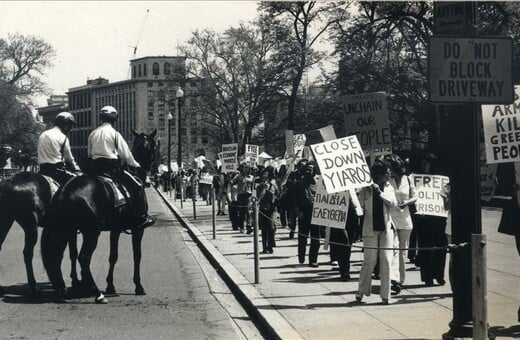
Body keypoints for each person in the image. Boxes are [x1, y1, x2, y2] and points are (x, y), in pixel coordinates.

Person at [87, 105, 155, 229]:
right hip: (111, 169)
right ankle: (142, 217)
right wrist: (136, 165)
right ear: (114, 119)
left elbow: (89, 154)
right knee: (138, 186)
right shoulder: (115, 134)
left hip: (94, 169)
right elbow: (126, 155)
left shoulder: (93, 134)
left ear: (101, 118)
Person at [356, 159, 397, 305]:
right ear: (379, 174)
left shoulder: (388, 187)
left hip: (386, 229)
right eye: (386, 173)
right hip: (370, 229)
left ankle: (385, 296)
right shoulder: (366, 189)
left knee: (386, 261)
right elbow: (359, 207)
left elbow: (393, 203)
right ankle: (361, 291)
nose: (389, 175)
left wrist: (379, 192)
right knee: (370, 261)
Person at [413, 153, 448, 286]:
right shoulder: (418, 180)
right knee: (425, 247)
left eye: (425, 164)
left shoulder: (442, 181)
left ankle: (439, 275)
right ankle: (427, 277)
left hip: (439, 219)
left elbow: (446, 199)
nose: (423, 166)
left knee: (441, 246)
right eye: (422, 164)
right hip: (424, 218)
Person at [385, 154, 417, 292]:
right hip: (391, 219)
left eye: (390, 167)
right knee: (393, 250)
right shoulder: (387, 181)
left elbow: (414, 197)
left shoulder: (408, 180)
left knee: (402, 252)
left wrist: (407, 203)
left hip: (405, 220)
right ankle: (393, 278)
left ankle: (400, 280)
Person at [37, 112, 80, 185]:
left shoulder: (43, 134)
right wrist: (77, 169)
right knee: (78, 183)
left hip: (42, 170)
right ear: (66, 125)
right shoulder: (63, 137)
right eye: (70, 126)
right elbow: (69, 160)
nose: (70, 129)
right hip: (57, 172)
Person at [294, 161, 320, 267]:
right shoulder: (298, 183)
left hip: (316, 213)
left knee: (315, 238)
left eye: (311, 169)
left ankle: (313, 259)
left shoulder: (318, 184)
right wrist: (298, 212)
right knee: (302, 237)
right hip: (303, 213)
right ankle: (301, 256)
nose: (308, 171)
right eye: (307, 169)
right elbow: (294, 200)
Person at [257, 166, 279, 254]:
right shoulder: (259, 186)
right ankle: (265, 247)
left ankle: (270, 244)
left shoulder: (274, 185)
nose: (265, 177)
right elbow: (259, 196)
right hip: (263, 207)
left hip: (273, 208)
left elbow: (278, 194)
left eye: (267, 176)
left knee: (272, 226)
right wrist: (264, 188)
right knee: (264, 228)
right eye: (264, 176)